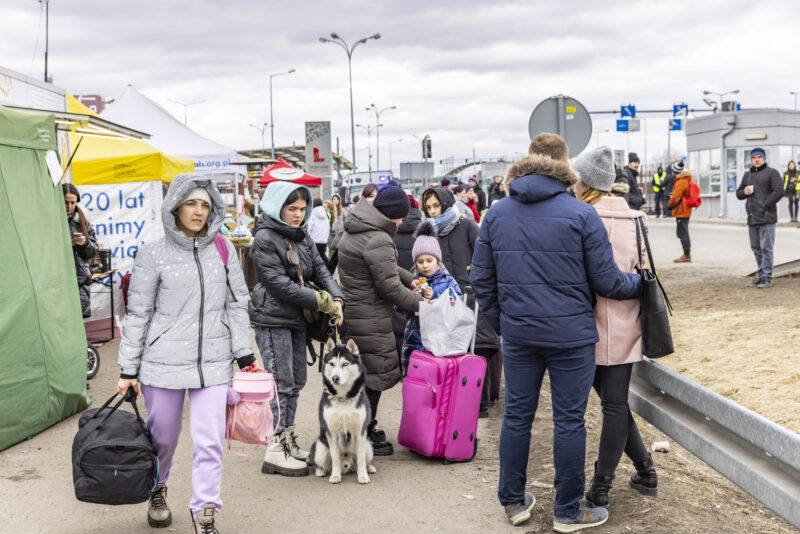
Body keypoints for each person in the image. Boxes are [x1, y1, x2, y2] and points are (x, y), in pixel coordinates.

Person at [469, 133, 641, 530]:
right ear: (568, 168)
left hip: (520, 336)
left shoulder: (496, 213)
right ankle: (567, 511)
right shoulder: (582, 214)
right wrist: (641, 285)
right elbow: (608, 282)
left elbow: (481, 280)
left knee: (516, 417)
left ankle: (513, 502)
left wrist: (505, 322)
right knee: (569, 421)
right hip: (571, 337)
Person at [117, 174, 256, 533]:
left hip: (212, 362)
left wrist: (244, 353)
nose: (198, 211)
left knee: (209, 440)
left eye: (205, 205)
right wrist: (127, 369)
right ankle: (158, 487)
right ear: (176, 206)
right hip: (161, 364)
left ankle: (205, 511)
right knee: (163, 437)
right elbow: (139, 314)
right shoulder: (153, 253)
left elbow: (237, 304)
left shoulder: (223, 248)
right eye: (191, 203)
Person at [572, 146, 657, 510]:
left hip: (583, 325)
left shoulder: (579, 218)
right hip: (627, 324)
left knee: (612, 405)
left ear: (586, 182)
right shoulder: (635, 219)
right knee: (615, 404)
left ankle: (600, 487)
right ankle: (646, 471)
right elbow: (648, 272)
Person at [249, 182, 344, 476]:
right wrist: (323, 300)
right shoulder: (264, 238)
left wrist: (337, 297)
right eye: (292, 209)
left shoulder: (300, 237)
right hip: (272, 318)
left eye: (302, 209)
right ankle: (275, 448)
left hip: (296, 319)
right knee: (280, 384)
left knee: (296, 382)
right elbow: (279, 284)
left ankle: (287, 439)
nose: (298, 215)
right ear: (277, 206)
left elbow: (322, 269)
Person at [337, 186, 422, 456]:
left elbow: (386, 268)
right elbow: (390, 289)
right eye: (400, 217)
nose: (400, 223)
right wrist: (425, 305)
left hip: (356, 314)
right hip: (370, 317)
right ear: (394, 214)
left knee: (363, 376)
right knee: (374, 375)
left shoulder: (360, 227)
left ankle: (363, 427)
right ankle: (363, 432)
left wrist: (410, 278)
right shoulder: (378, 237)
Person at [420, 185, 499, 416]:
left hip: (472, 297)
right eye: (429, 207)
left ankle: (481, 405)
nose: (433, 211)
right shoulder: (428, 233)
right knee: (452, 351)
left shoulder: (466, 225)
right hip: (444, 300)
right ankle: (457, 402)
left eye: (436, 205)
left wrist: (476, 282)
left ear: (445, 203)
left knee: (478, 350)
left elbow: (485, 258)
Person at [400, 219, 462, 374]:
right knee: (416, 382)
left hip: (441, 341)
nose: (425, 265)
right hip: (415, 339)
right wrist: (411, 298)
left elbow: (458, 304)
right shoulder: (412, 281)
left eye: (429, 260)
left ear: (438, 261)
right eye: (420, 262)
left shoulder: (448, 281)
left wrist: (436, 297)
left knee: (437, 379)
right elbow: (398, 306)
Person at [736, 148, 784, 288]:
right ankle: (761, 274)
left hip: (766, 217)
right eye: (754, 157)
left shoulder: (772, 173)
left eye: (759, 157)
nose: (756, 159)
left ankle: (767, 277)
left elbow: (779, 191)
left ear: (764, 158)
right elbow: (739, 194)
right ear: (751, 159)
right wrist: (744, 192)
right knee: (756, 249)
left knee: (766, 249)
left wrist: (765, 205)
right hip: (752, 218)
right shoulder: (748, 175)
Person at [391, 195, 424, 359]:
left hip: (394, 285)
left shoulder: (389, 232)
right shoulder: (423, 234)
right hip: (417, 285)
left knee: (396, 325)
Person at [63, 183, 99, 318]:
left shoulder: (83, 221)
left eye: (73, 202)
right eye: (66, 202)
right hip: (59, 280)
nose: (69, 206)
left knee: (80, 322)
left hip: (80, 281)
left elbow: (93, 252)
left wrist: (84, 244)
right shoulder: (50, 221)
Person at [667, 169, 696, 263]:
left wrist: (669, 204)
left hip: (682, 210)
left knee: (683, 233)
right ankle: (686, 254)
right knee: (682, 232)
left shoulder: (681, 182)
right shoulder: (687, 180)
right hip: (685, 210)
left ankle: (687, 255)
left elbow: (675, 197)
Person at [307, 198, 331, 263]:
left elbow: (309, 227)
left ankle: (326, 269)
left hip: (314, 240)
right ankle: (328, 267)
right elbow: (328, 227)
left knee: (314, 257)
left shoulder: (313, 213)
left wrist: (306, 237)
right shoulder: (324, 214)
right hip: (324, 241)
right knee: (322, 255)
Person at [327, 194, 346, 273]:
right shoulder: (329, 210)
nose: (335, 201)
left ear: (339, 200)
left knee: (339, 251)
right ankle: (331, 270)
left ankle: (340, 268)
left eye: (337, 199)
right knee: (331, 250)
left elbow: (346, 220)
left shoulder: (343, 210)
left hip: (340, 234)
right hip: (330, 233)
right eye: (334, 199)